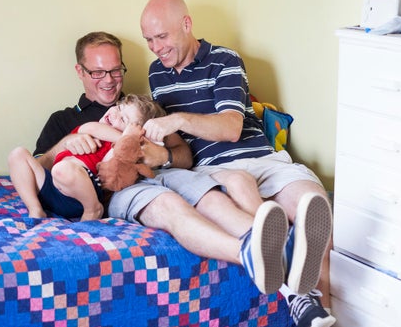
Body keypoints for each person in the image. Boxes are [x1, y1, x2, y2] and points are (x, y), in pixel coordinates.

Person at [28, 31, 320, 300]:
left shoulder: (141, 108)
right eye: (98, 72)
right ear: (80, 71)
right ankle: (267, 253)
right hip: (120, 189)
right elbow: (37, 165)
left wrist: (162, 155)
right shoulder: (63, 120)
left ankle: (279, 246)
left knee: (210, 195)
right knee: (169, 203)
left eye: (116, 70)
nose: (109, 79)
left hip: (163, 175)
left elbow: (184, 156)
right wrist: (68, 143)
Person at [138, 0, 335, 327]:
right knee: (241, 184)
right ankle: (300, 297)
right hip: (213, 168)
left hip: (265, 158)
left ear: (186, 24)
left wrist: (177, 119)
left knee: (314, 208)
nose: (156, 47)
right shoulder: (157, 74)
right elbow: (179, 148)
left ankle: (324, 326)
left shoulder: (225, 59)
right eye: (149, 39)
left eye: (162, 36)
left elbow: (230, 127)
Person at [8, 93, 163, 221]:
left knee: (62, 170)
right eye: (119, 108)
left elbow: (110, 167)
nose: (115, 114)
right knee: (17, 154)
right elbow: (92, 128)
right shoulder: (93, 127)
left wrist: (131, 141)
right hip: (50, 187)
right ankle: (35, 208)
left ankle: (93, 208)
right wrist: (127, 137)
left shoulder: (115, 148)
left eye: (123, 119)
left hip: (79, 195)